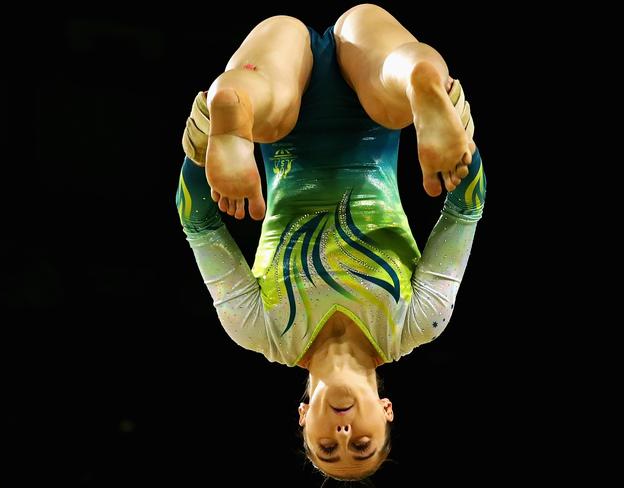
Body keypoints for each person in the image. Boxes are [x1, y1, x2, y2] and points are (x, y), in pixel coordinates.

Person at [175, 4, 486, 481]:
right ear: (386, 411)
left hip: (279, 113)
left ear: (302, 419)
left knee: (268, 111)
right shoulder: (419, 322)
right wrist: (462, 140)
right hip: (371, 106)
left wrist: (199, 154)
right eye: (361, 445)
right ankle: (420, 82)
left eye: (325, 446)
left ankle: (232, 105)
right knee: (395, 89)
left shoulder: (259, 330)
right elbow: (466, 207)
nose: (343, 435)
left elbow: (198, 225)